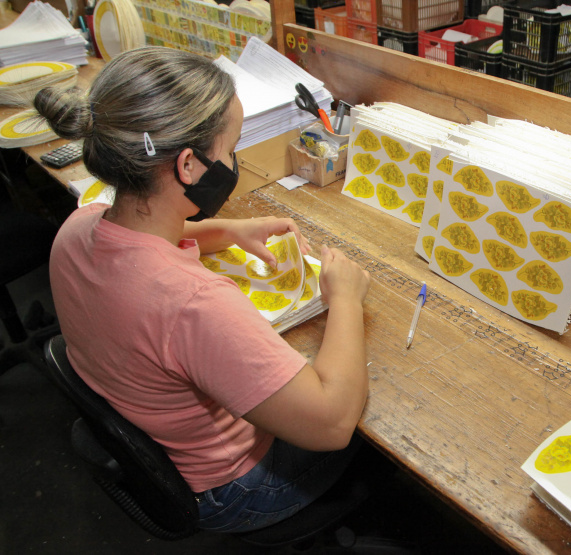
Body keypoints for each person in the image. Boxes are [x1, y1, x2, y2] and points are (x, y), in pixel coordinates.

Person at [35, 46, 373, 533]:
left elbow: (141, 245)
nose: (233, 161)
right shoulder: (192, 301)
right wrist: (343, 298)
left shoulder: (76, 226)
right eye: (231, 149)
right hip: (234, 489)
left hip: (156, 445)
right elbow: (330, 424)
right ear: (189, 165)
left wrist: (229, 230)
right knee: (369, 419)